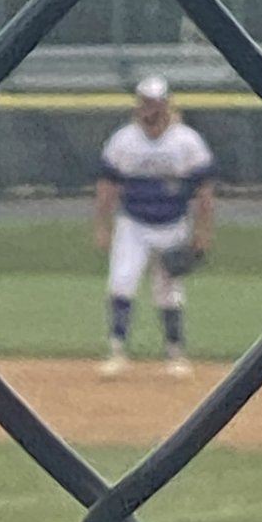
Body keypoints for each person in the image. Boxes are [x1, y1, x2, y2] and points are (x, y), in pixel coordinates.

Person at [94, 75, 216, 378]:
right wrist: (102, 225)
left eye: (153, 102)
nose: (148, 108)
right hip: (132, 222)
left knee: (169, 289)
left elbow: (204, 189)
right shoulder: (124, 139)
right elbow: (107, 185)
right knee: (122, 282)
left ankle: (176, 353)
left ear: (165, 104)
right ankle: (117, 350)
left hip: (172, 223)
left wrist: (202, 231)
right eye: (144, 102)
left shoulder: (186, 140)